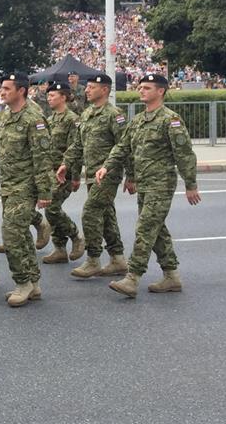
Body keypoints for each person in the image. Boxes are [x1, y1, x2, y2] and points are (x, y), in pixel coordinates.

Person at [95, 74, 200, 297]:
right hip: (144, 183)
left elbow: (184, 154)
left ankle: (132, 278)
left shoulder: (170, 120)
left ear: (160, 91)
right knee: (157, 230)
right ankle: (171, 276)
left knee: (145, 228)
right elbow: (123, 147)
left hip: (161, 184)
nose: (141, 90)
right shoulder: (139, 120)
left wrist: (191, 184)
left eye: (147, 87)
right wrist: (107, 166)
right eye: (140, 87)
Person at [0, 72, 53, 307]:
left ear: (21, 91)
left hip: (26, 186)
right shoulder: (7, 116)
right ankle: (33, 283)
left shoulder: (33, 118)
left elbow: (42, 158)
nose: (2, 92)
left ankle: (23, 283)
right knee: (21, 236)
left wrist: (45, 192)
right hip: (9, 185)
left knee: (11, 234)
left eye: (7, 89)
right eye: (2, 88)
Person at [57, 74, 128, 279]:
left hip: (108, 173)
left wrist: (131, 176)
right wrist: (66, 164)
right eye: (86, 87)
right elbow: (78, 145)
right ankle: (117, 258)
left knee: (90, 212)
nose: (86, 90)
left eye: (91, 87)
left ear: (104, 90)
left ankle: (93, 259)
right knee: (106, 215)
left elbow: (125, 146)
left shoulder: (114, 114)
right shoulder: (87, 114)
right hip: (91, 174)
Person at [42, 81, 86, 264]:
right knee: (53, 209)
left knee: (52, 208)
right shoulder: (50, 120)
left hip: (64, 173)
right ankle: (59, 248)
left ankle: (76, 235)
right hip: (48, 172)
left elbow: (75, 149)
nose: (49, 98)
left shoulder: (72, 120)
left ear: (64, 97)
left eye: (52, 96)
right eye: (48, 95)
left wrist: (75, 176)